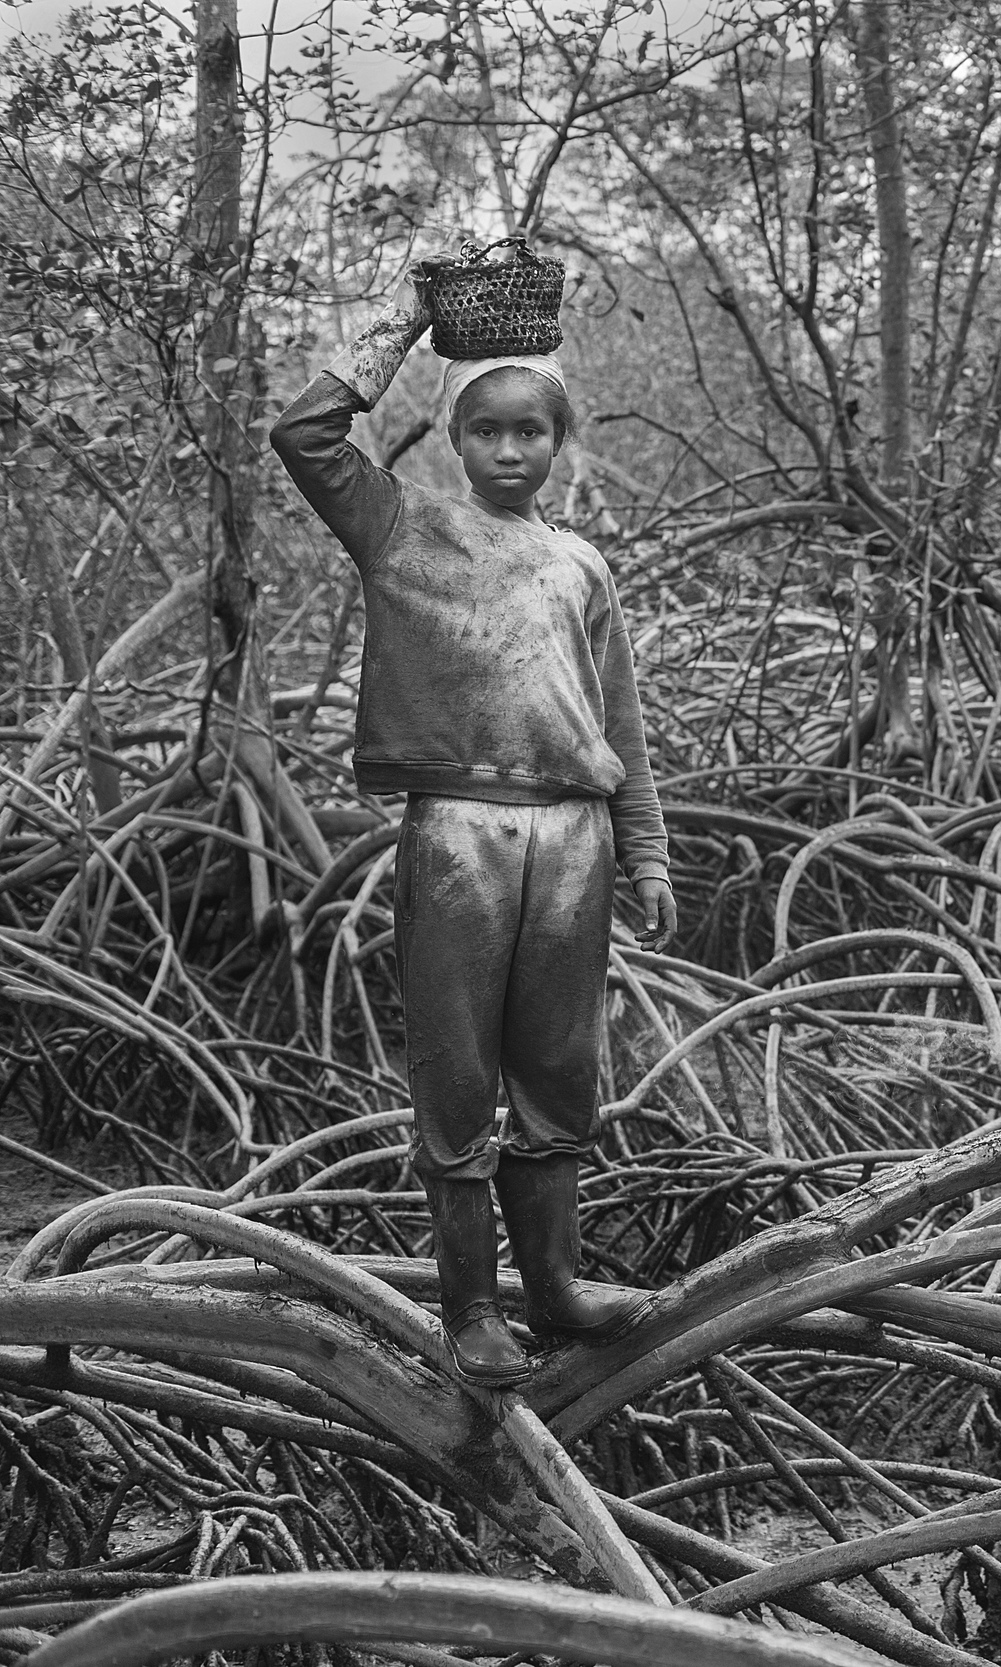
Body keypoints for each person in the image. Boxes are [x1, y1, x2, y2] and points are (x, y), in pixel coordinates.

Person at [270, 284, 673, 1386]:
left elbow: (619, 723)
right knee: (457, 1075)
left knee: (560, 1070)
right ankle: (470, 1309)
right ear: (452, 438)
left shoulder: (580, 563)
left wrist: (646, 851)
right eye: (485, 429)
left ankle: (555, 1287)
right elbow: (302, 432)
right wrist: (406, 318)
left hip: (574, 840)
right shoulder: (402, 524)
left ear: (559, 439)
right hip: (457, 837)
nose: (508, 449)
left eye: (529, 429)